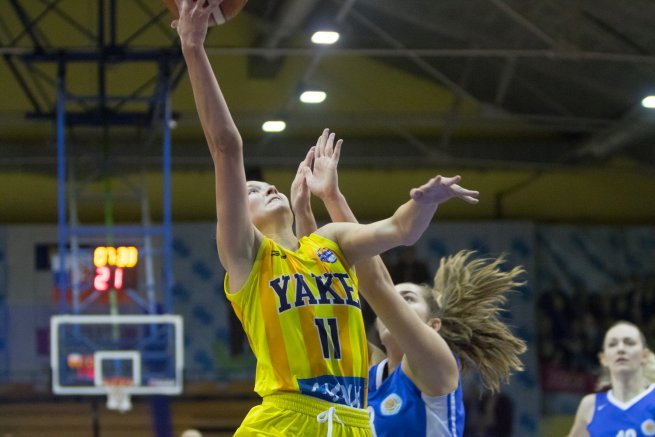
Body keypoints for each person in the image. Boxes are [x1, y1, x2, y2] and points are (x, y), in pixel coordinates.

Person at [173, 1, 479, 435]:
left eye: (266, 184)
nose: (267, 188)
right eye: (253, 191)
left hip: (352, 423)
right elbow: (227, 147)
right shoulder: (247, 258)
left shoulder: (329, 242)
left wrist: (425, 201)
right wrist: (194, 47)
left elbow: (399, 231)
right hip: (286, 417)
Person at [291, 130, 527, 437]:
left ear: (434, 325)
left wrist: (334, 198)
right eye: (400, 296)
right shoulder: (374, 372)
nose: (397, 304)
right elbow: (320, 296)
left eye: (409, 299)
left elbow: (376, 283)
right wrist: (305, 211)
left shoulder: (436, 365)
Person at [567, 321, 655, 437]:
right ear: (604, 359)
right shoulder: (590, 406)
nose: (621, 349)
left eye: (629, 343)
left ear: (645, 355)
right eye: (612, 344)